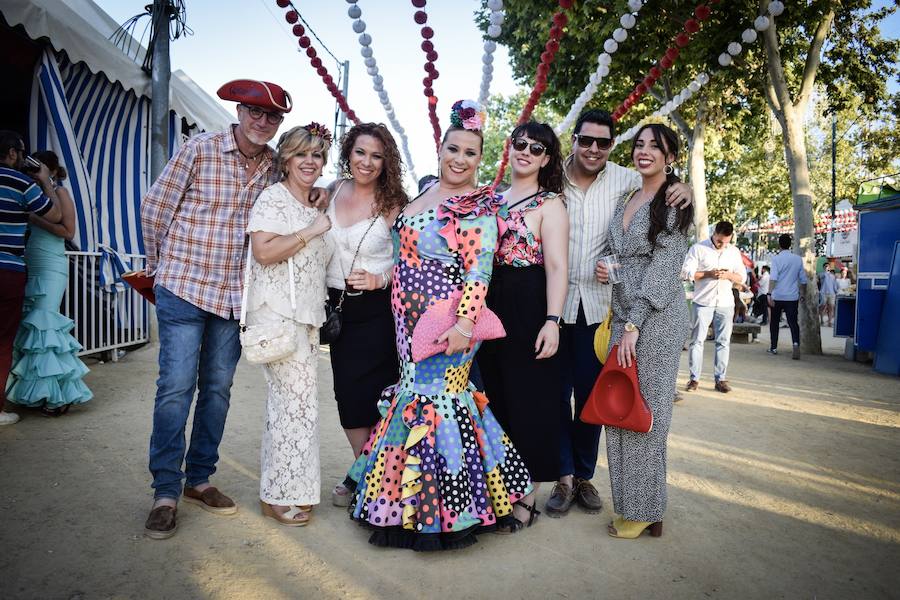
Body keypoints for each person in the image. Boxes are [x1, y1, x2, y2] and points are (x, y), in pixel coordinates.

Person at [344, 100, 533, 550]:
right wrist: (380, 278)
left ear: (479, 159)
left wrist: (465, 325)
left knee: (441, 405)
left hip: (447, 323)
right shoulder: (423, 196)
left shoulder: (475, 208)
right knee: (418, 400)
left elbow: (478, 272)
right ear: (441, 148)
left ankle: (447, 511)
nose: (460, 159)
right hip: (406, 321)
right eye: (453, 149)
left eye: (470, 153)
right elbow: (404, 259)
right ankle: (405, 503)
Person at [140, 79, 293, 539]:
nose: (263, 122)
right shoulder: (200, 150)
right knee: (175, 387)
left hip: (233, 298)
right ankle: (165, 491)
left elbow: (297, 200)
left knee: (219, 389)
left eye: (273, 117)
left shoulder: (273, 167)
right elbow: (155, 209)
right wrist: (159, 267)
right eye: (255, 112)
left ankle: (199, 479)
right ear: (239, 111)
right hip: (184, 287)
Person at [548, 109, 692, 518]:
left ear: (611, 146)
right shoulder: (551, 176)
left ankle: (584, 475)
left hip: (602, 310)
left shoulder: (625, 180)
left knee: (598, 395)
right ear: (573, 140)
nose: (594, 149)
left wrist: (688, 188)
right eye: (586, 140)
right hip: (556, 307)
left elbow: (667, 191)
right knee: (557, 395)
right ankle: (562, 476)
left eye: (603, 142)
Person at [596, 123, 693, 539]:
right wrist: (606, 266)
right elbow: (619, 253)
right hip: (623, 317)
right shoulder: (625, 198)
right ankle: (632, 505)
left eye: (656, 146)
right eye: (639, 144)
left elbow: (665, 266)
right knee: (618, 410)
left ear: (670, 156)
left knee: (647, 414)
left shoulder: (674, 201)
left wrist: (635, 322)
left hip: (655, 318)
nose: (645, 151)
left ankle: (645, 510)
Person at [476, 121, 569, 530]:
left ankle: (526, 495)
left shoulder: (551, 204)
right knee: (492, 398)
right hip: (488, 301)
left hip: (529, 303)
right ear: (509, 147)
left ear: (547, 158)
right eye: (520, 144)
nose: (526, 151)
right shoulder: (490, 200)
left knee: (527, 400)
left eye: (537, 147)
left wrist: (552, 320)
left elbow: (557, 266)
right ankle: (498, 491)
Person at [246, 123, 333, 526]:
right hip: (279, 317)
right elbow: (263, 252)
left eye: (316, 155)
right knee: (291, 407)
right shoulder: (273, 199)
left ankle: (290, 488)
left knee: (298, 408)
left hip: (307, 321)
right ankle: (278, 493)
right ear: (286, 158)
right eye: (302, 154)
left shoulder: (314, 205)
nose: (310, 162)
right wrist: (310, 231)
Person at [325, 123, 405, 507]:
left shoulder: (394, 204)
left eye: (376, 155)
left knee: (377, 399)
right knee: (347, 399)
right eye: (360, 153)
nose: (367, 162)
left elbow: (412, 265)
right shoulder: (330, 190)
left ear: (385, 160)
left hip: (378, 313)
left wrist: (380, 278)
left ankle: (372, 479)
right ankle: (367, 471)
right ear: (348, 153)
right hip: (335, 310)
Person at [6, 150, 92, 416]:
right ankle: (34, 393)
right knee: (29, 328)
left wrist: (35, 215)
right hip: (28, 261)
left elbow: (68, 231)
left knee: (46, 327)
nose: (33, 171)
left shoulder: (61, 194)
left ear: (52, 170)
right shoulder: (26, 193)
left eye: (39, 167)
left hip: (52, 263)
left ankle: (58, 396)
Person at [0, 131, 62, 426]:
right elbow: (55, 216)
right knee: (3, 342)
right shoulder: (22, 184)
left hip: (25, 267)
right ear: (12, 154)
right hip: (8, 269)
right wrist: (45, 181)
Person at [681, 221, 745, 393]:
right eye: (719, 241)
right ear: (714, 233)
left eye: (726, 242)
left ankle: (721, 379)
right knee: (697, 341)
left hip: (725, 303)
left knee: (723, 342)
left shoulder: (733, 251)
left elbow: (742, 277)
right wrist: (709, 274)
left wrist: (728, 275)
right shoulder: (698, 249)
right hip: (702, 302)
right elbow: (687, 273)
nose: (722, 245)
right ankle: (694, 379)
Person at [767, 233, 808, 360]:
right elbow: (803, 280)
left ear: (779, 245)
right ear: (790, 245)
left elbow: (773, 278)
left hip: (778, 296)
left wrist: (769, 294)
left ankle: (774, 347)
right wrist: (803, 294)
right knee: (792, 322)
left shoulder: (776, 259)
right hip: (792, 296)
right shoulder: (797, 259)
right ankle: (795, 343)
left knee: (774, 322)